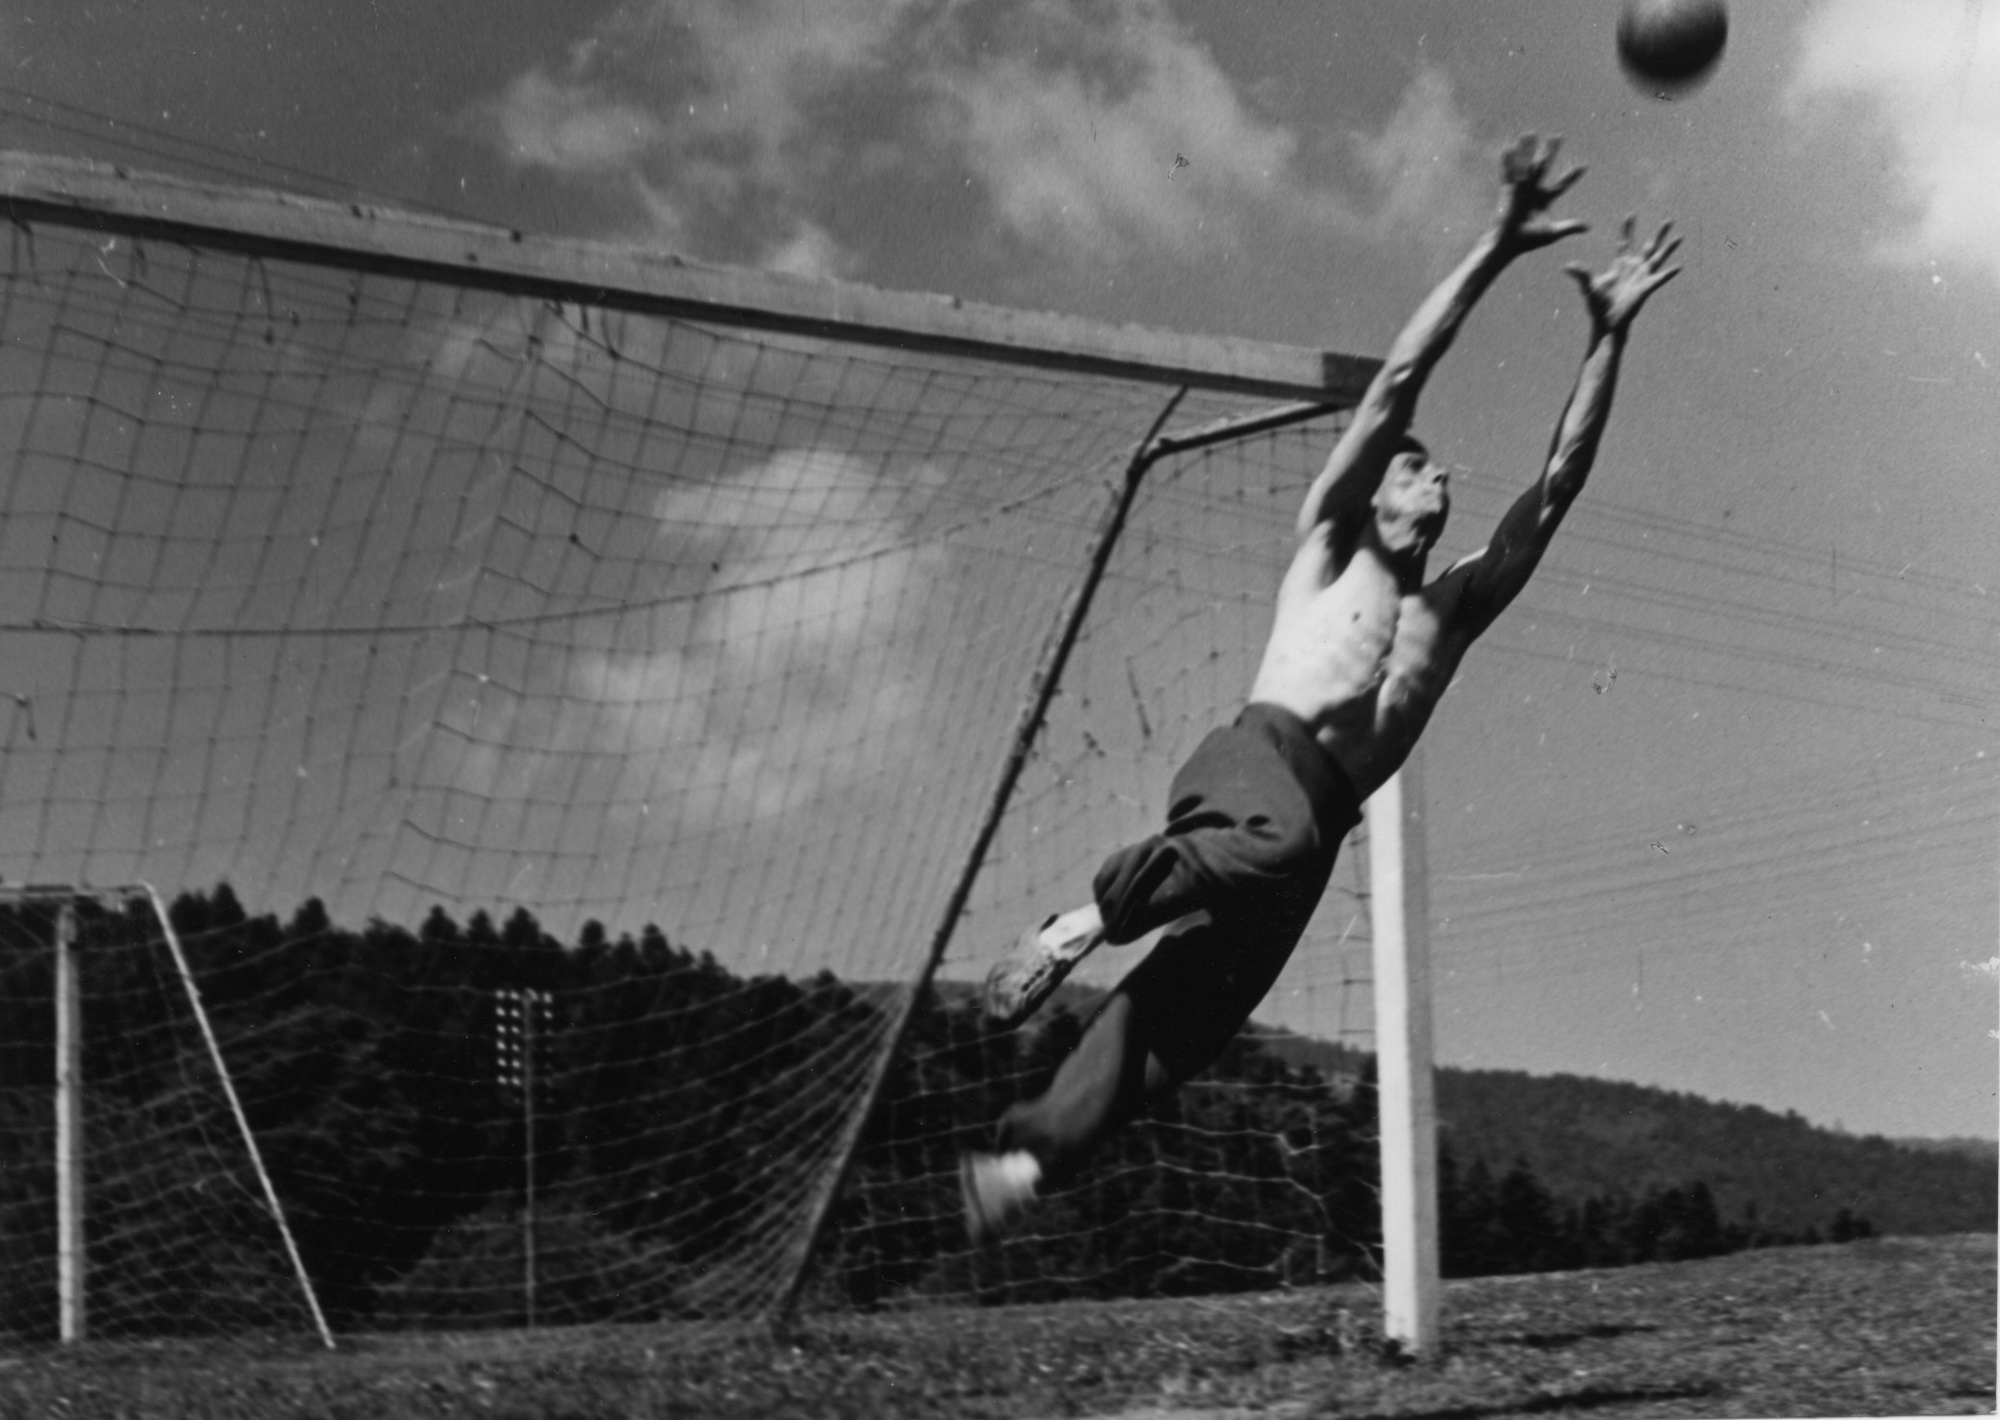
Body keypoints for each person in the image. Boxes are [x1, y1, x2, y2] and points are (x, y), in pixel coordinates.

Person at [961, 135, 1681, 1242]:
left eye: (1439, 472)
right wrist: (1493, 247)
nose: (1432, 475)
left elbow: (1560, 482)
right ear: (1373, 492)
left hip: (1306, 831)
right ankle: (1082, 916)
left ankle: (1024, 1156)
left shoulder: (1451, 610)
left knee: (1182, 1028)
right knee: (1284, 839)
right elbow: (1399, 379)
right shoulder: (1324, 551)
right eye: (1412, 467)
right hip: (1254, 767)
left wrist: (1606, 337)